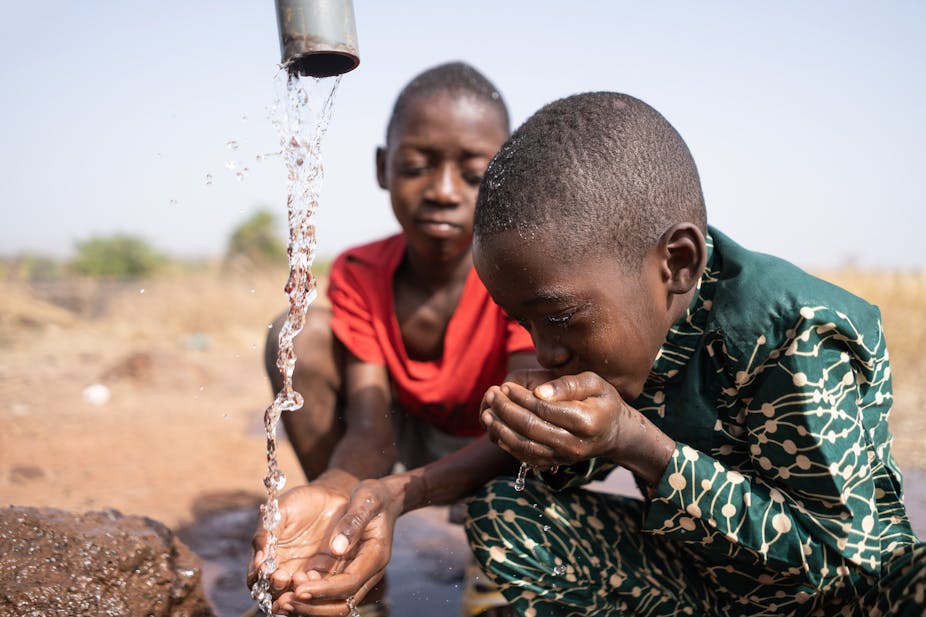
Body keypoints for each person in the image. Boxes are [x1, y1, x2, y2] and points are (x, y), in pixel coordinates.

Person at [260, 90, 925, 616]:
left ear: (678, 262)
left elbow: (848, 564)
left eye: (560, 318)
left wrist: (639, 444)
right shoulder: (617, 326)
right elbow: (537, 474)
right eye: (522, 322)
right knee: (510, 513)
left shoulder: (795, 331)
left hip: (838, 597)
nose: (544, 351)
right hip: (709, 582)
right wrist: (391, 496)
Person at [252, 62, 535, 617]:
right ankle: (349, 561)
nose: (443, 192)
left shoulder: (523, 271)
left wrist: (403, 493)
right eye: (416, 167)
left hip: (496, 448)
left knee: (552, 413)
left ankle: (505, 558)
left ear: (506, 180)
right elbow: (368, 424)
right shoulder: (361, 271)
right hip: (402, 437)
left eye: (474, 175)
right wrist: (340, 490)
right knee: (297, 334)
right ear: (384, 167)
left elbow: (522, 422)